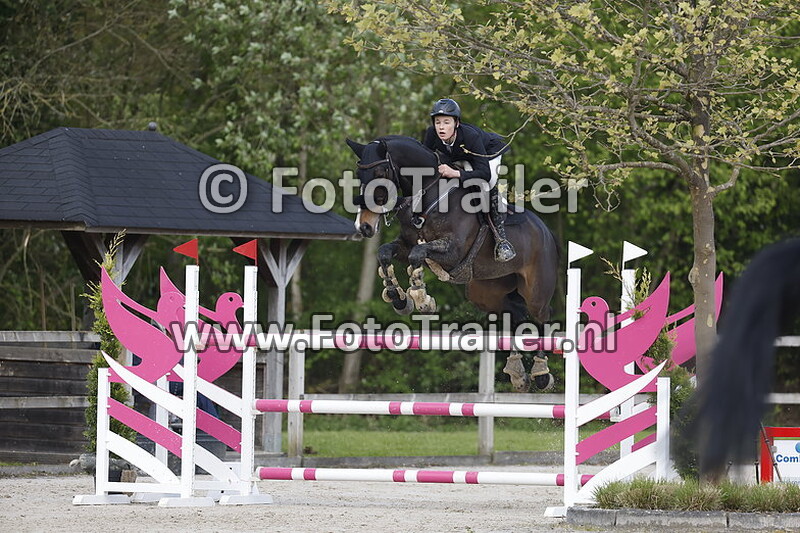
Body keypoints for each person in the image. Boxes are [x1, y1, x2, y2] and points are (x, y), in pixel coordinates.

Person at [422, 98, 515, 262]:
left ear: (456, 123)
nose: (441, 127)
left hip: (487, 154)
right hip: (463, 157)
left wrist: (455, 173)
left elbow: (484, 172)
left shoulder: (470, 136)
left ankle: (501, 239)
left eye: (446, 122)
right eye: (438, 122)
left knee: (488, 182)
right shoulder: (431, 134)